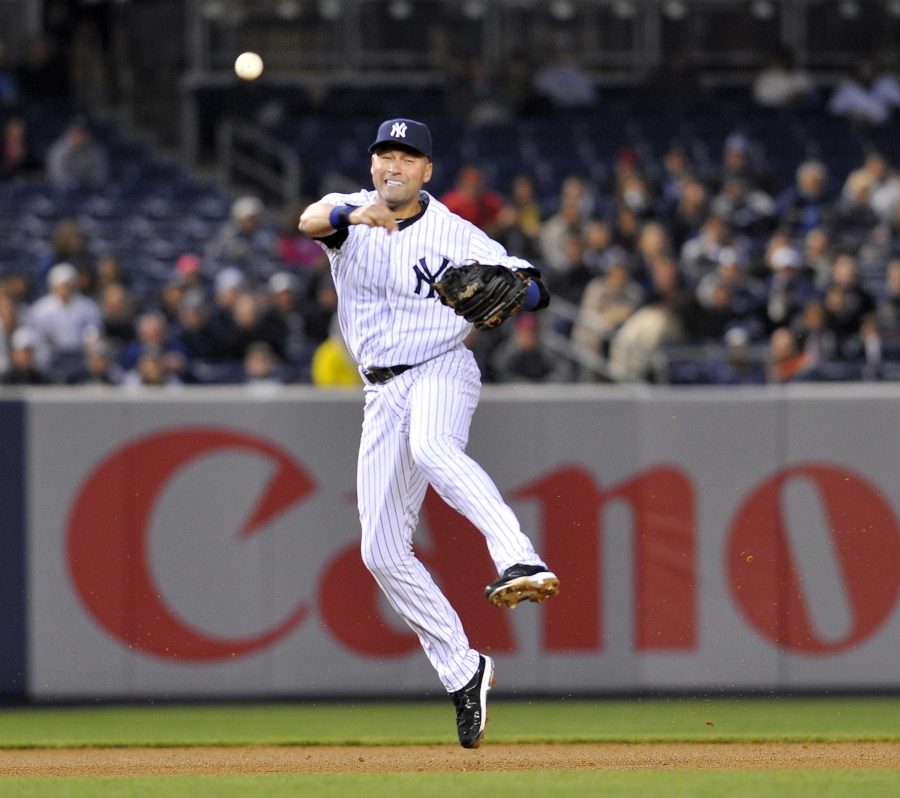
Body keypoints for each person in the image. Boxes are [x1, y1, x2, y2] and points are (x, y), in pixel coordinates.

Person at [298, 117, 558, 750]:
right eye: (385, 153)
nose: (394, 163)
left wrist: (516, 293)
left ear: (427, 171)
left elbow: (536, 290)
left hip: (441, 366)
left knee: (435, 448)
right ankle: (463, 670)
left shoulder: (455, 233)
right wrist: (350, 218)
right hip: (381, 391)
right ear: (372, 166)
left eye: (407, 156)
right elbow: (309, 218)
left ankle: (517, 556)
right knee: (380, 550)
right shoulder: (349, 216)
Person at [45, 116, 109, 187]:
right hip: (64, 191)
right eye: (77, 133)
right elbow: (58, 177)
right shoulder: (59, 151)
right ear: (70, 133)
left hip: (89, 190)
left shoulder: (95, 151)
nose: (81, 136)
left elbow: (100, 176)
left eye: (83, 133)